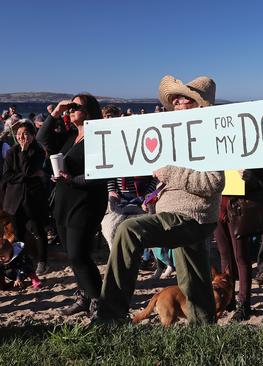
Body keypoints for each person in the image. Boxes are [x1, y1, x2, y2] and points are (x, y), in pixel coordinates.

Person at [95, 75, 224, 324]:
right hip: (181, 215)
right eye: (175, 99)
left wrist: (166, 172)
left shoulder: (209, 137)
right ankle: (205, 328)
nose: (177, 102)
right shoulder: (177, 137)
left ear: (200, 105)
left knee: (128, 231)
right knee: (194, 277)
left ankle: (109, 317)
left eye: (184, 98)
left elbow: (214, 182)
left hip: (190, 217)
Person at [36, 93, 108, 315]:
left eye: (75, 106)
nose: (70, 109)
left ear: (89, 111)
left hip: (86, 202)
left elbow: (101, 174)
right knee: (71, 254)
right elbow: (42, 138)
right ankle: (83, 297)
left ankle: (98, 300)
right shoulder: (70, 137)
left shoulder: (98, 139)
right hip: (64, 201)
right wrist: (55, 113)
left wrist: (72, 179)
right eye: (70, 106)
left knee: (78, 254)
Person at [215, 167, 263, 320]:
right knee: (225, 254)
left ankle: (244, 303)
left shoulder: (247, 154)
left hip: (238, 208)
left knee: (241, 256)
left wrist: (250, 178)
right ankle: (229, 299)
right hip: (216, 206)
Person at [2, 121, 49, 274]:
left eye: (26, 134)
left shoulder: (38, 151)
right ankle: (23, 263)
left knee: (38, 229)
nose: (22, 137)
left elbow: (28, 170)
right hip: (14, 200)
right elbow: (7, 176)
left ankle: (42, 261)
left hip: (32, 198)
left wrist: (24, 151)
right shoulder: (11, 151)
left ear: (33, 136)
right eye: (19, 134)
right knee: (19, 233)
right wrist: (29, 175)